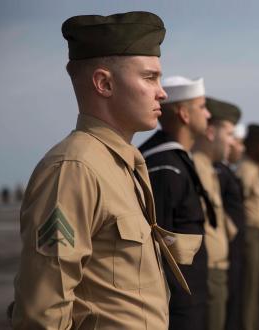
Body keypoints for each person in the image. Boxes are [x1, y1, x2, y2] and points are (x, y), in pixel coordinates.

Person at [11, 12, 201, 329]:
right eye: (149, 77)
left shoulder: (120, 163)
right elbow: (42, 311)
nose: (162, 92)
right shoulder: (74, 169)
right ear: (104, 84)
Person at [139, 76, 215, 330]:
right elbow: (155, 250)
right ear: (184, 114)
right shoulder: (165, 167)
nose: (207, 113)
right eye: (202, 106)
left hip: (191, 297)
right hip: (178, 306)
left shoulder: (176, 160)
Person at [192, 97, 240, 330]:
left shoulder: (208, 169)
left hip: (216, 268)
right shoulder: (197, 169)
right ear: (211, 132)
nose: (232, 143)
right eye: (229, 134)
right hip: (208, 272)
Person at [236, 123, 259, 330]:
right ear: (255, 146)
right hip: (249, 234)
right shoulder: (246, 170)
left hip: (257, 234)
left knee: (256, 285)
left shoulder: (254, 169)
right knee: (249, 289)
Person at [216, 123, 247, 330]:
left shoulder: (224, 171)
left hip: (230, 251)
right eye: (234, 139)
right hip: (222, 255)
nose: (239, 147)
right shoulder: (219, 172)